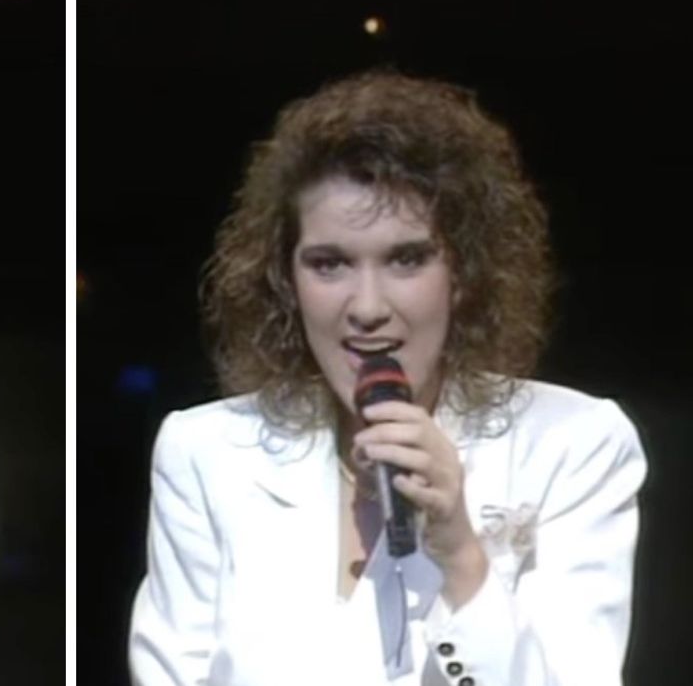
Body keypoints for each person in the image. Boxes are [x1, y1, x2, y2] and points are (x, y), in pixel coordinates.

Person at [128, 71, 647, 685]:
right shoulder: (205, 453)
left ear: (465, 269)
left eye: (406, 259)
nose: (367, 306)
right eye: (330, 264)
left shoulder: (575, 445)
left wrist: (459, 552)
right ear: (285, 282)